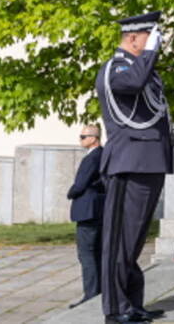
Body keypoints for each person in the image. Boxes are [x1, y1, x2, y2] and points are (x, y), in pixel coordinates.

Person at [96, 11, 173, 324]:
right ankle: (116, 308)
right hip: (128, 163)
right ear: (133, 38)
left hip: (149, 161)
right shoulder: (117, 68)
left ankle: (132, 302)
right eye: (149, 37)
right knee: (120, 241)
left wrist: (151, 54)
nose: (155, 43)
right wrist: (152, 52)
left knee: (136, 239)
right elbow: (133, 83)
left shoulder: (144, 70)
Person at [67, 123, 105, 308]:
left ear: (93, 138)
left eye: (83, 137)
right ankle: (98, 292)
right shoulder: (103, 154)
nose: (80, 140)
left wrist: (71, 193)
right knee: (96, 253)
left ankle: (91, 294)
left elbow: (81, 184)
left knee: (87, 254)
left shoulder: (92, 158)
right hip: (98, 210)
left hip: (88, 212)